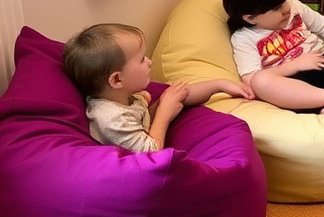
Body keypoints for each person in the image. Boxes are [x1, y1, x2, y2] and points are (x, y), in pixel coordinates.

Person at [63, 22, 252, 154]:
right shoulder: (111, 120)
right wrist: (163, 113)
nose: (149, 62)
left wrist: (219, 85)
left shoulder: (123, 96)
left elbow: (178, 95)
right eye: (141, 59)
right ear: (117, 79)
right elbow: (150, 152)